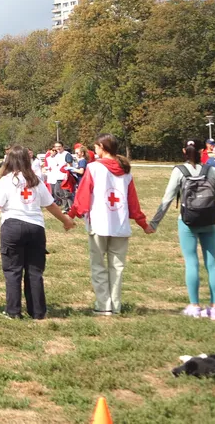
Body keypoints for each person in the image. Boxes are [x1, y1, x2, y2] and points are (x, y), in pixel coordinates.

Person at [0, 146, 75, 319]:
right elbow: (50, 205)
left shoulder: (6, 180)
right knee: (34, 271)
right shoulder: (36, 181)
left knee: (13, 271)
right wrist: (66, 221)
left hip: (12, 228)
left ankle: (13, 311)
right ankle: (38, 312)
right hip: (35, 229)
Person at [68, 133, 151, 316]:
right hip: (120, 226)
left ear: (102, 147)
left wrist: (72, 215)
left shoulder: (94, 168)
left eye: (96, 147)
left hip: (99, 223)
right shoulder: (126, 171)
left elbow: (83, 195)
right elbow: (133, 203)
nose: (94, 150)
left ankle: (103, 305)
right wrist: (143, 223)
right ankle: (116, 305)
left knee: (98, 266)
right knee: (117, 268)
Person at [149, 141, 215, 320]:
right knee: (212, 263)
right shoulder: (210, 170)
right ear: (203, 152)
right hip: (210, 221)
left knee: (191, 262)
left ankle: (194, 306)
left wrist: (154, 223)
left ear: (184, 152)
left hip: (187, 221)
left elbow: (167, 199)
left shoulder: (179, 171)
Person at [45, 142, 74, 210]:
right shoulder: (57, 155)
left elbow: (70, 165)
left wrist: (67, 174)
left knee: (67, 193)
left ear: (63, 146)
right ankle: (66, 206)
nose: (58, 148)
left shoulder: (66, 154)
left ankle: (71, 208)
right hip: (58, 177)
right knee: (57, 192)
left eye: (59, 146)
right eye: (56, 146)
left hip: (65, 176)